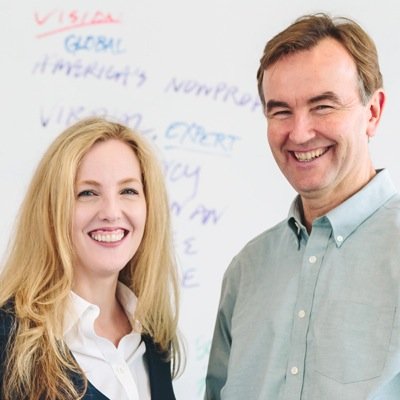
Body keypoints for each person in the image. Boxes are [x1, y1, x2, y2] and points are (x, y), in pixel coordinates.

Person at [205, 13, 400, 400]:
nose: (299, 133)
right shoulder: (247, 270)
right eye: (281, 111)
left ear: (373, 112)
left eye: (323, 106)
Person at [0, 117, 182, 400]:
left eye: (128, 191)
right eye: (87, 193)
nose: (111, 212)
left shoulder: (155, 339)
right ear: (51, 210)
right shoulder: (9, 339)